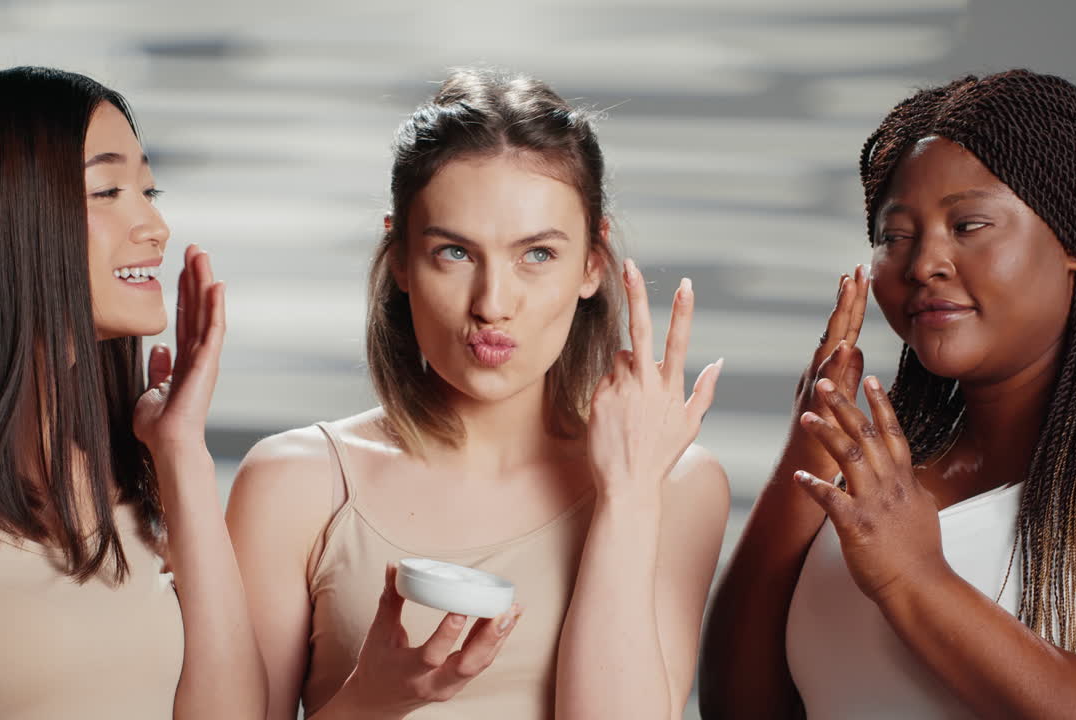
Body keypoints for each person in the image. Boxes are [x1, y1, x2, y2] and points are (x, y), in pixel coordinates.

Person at [226, 67, 729, 719]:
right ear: (402, 259)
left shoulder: (677, 484)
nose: (493, 304)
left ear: (592, 265)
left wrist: (627, 497)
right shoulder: (294, 484)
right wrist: (370, 702)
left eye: (538, 254)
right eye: (455, 253)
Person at [700, 69, 1076, 719]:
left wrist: (915, 579)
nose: (925, 262)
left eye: (969, 225)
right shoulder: (887, 456)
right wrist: (808, 448)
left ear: (1072, 238)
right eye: (896, 236)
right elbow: (741, 706)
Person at [0, 67, 265, 719]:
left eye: (149, 190)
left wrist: (180, 451)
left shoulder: (130, 479)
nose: (155, 225)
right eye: (109, 190)